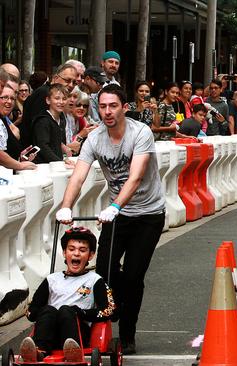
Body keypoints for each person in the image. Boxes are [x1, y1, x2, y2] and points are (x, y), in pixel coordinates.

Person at [55, 85, 166, 354]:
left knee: (133, 276)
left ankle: (127, 334)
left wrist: (115, 205)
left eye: (113, 106)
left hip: (148, 214)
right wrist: (66, 207)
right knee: (103, 272)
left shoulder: (140, 133)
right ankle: (106, 314)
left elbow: (136, 176)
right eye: (103, 106)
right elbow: (79, 175)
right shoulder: (95, 139)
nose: (107, 112)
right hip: (117, 214)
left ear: (124, 107)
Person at [18, 227, 115, 362]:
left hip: (78, 333)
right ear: (64, 253)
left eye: (82, 250)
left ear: (90, 255)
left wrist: (82, 313)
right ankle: (39, 351)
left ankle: (72, 352)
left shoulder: (95, 280)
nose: (76, 254)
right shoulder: (52, 279)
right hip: (49, 334)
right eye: (71, 249)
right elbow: (32, 309)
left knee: (66, 310)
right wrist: (36, 313)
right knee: (48, 310)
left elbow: (109, 310)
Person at [20, 64, 77, 148]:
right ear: (55, 78)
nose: (71, 85)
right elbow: (39, 132)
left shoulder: (51, 92)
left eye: (74, 82)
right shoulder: (44, 93)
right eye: (67, 80)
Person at [32, 84, 74, 164]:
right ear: (48, 100)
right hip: (43, 166)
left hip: (56, 164)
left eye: (64, 99)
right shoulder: (43, 121)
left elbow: (54, 139)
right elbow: (43, 147)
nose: (61, 102)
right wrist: (60, 162)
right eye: (57, 98)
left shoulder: (61, 118)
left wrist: (63, 147)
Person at [0, 84, 37, 170]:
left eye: (12, 98)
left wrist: (21, 157)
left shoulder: (3, 118)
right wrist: (20, 165)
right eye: (5, 97)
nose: (9, 101)